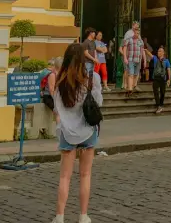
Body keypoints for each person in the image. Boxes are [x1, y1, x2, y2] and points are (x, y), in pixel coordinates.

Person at [52, 43, 103, 223]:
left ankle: (59, 216)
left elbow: (57, 108)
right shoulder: (92, 78)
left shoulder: (60, 81)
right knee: (85, 175)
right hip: (88, 131)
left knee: (65, 176)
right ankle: (83, 215)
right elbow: (98, 102)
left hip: (67, 131)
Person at [121, 24, 145, 97]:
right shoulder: (129, 39)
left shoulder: (140, 41)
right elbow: (124, 48)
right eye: (137, 33)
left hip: (137, 60)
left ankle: (131, 87)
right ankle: (130, 89)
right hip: (131, 59)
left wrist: (143, 60)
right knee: (131, 74)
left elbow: (142, 50)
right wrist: (125, 57)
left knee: (135, 74)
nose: (138, 34)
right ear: (133, 32)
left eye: (139, 33)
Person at [150, 46, 171, 114]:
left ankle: (161, 104)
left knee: (162, 92)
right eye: (158, 51)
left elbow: (168, 69)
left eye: (160, 51)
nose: (159, 52)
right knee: (156, 92)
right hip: (156, 78)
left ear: (163, 53)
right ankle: (158, 106)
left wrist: (169, 79)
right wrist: (145, 50)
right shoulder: (155, 58)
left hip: (163, 79)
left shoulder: (166, 60)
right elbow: (150, 55)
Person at [120, 21, 140, 90]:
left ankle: (134, 85)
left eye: (138, 26)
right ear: (133, 25)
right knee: (126, 70)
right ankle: (125, 84)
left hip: (135, 56)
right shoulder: (128, 34)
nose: (137, 27)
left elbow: (140, 45)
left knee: (135, 72)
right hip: (128, 55)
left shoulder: (138, 35)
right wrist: (125, 56)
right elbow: (123, 47)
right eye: (136, 26)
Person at [42, 57, 62, 122]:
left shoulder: (59, 73)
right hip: (49, 96)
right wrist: (56, 101)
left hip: (56, 96)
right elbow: (51, 89)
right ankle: (59, 130)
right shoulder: (52, 75)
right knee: (59, 112)